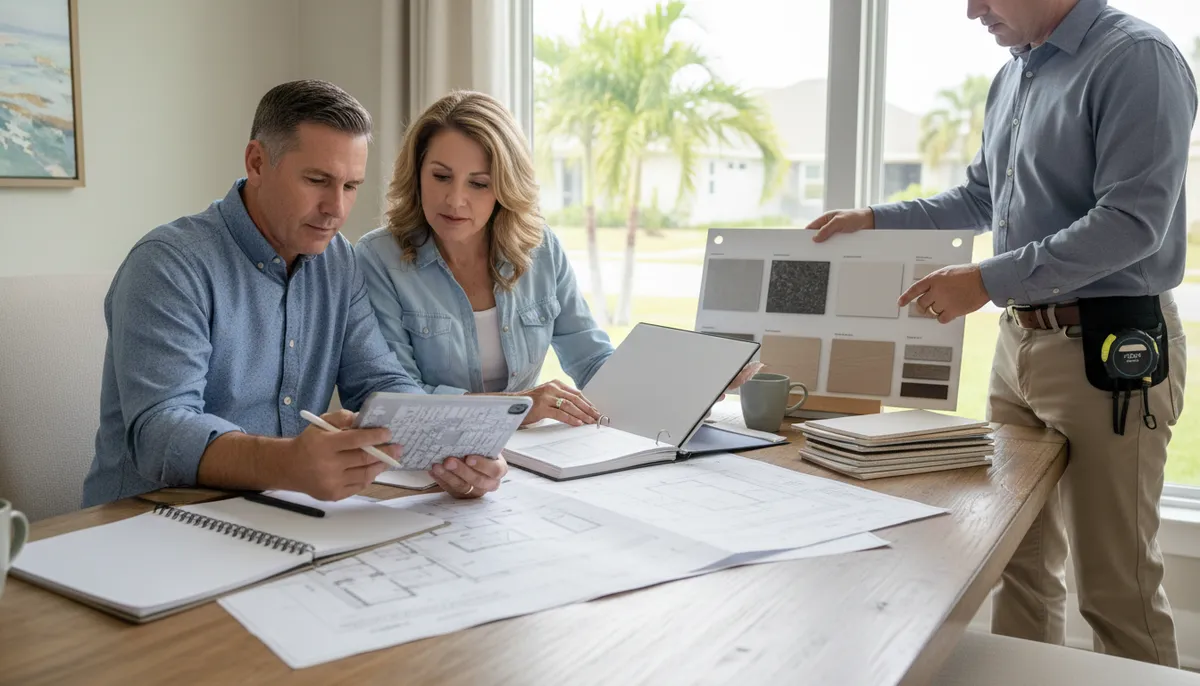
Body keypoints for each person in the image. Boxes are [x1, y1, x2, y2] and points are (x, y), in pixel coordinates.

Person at [807, 0, 1194, 667]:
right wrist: (874, 218)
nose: (970, 11)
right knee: (1019, 563)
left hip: (1108, 351)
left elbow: (1134, 221)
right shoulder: (1015, 74)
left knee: (1115, 587)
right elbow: (984, 197)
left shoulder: (1136, 59)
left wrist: (986, 280)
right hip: (1019, 348)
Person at [82, 79, 506, 508]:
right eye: (317, 180)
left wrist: (456, 447)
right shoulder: (168, 265)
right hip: (145, 526)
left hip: (277, 513)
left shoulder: (338, 260)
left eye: (351, 186)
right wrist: (288, 463)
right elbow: (160, 433)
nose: (336, 209)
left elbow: (380, 382)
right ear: (257, 162)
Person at [355, 90, 760, 427]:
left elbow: (592, 360)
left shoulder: (540, 248)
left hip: (526, 461)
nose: (455, 200)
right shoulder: (378, 259)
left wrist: (684, 386)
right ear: (417, 172)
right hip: (429, 459)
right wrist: (517, 406)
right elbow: (398, 397)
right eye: (441, 176)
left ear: (504, 189)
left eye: (479, 184)